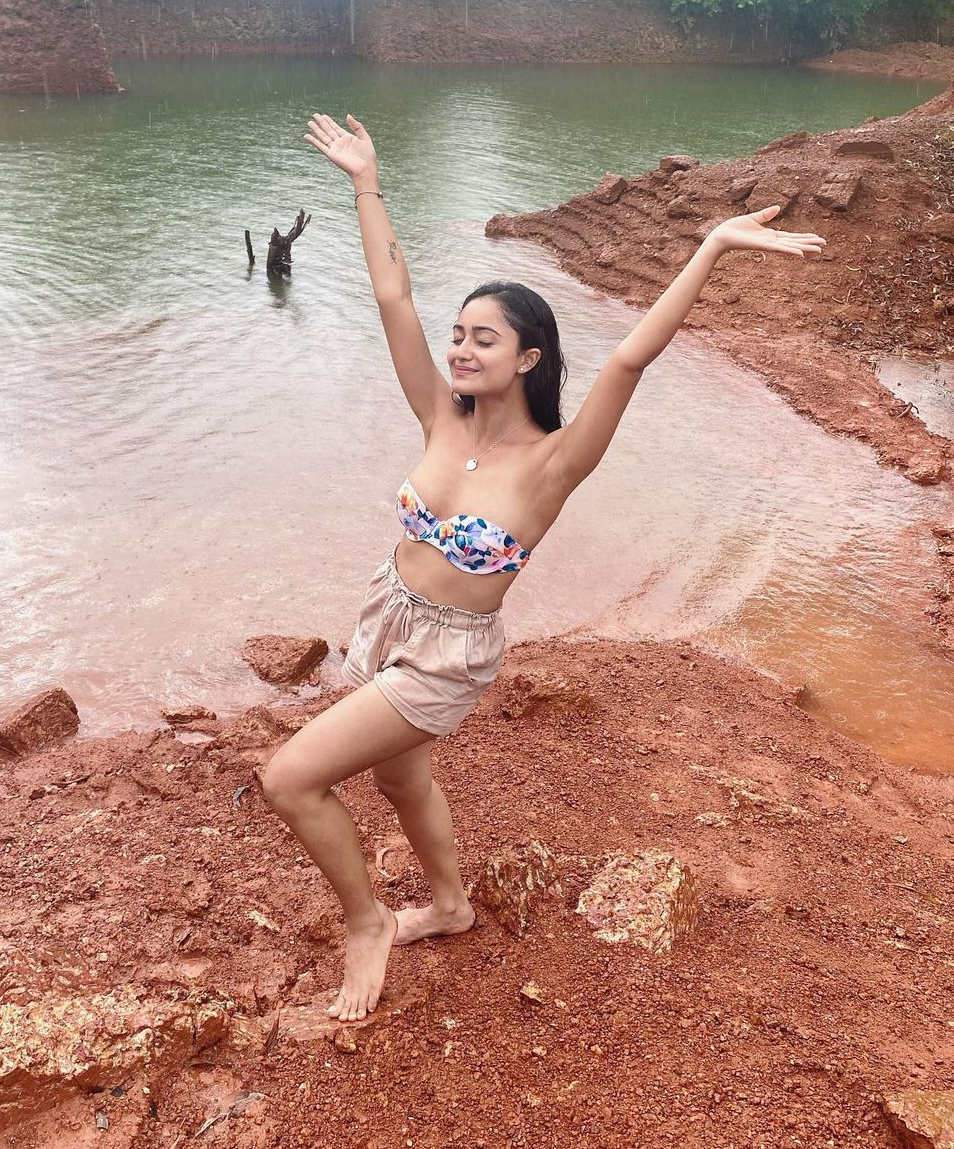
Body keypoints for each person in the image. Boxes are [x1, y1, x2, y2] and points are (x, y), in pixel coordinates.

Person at [261, 111, 825, 1023]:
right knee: (401, 779)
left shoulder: (554, 464)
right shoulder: (438, 415)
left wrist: (713, 246)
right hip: (386, 614)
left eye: (484, 338)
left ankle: (367, 923)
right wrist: (366, 183)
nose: (460, 348)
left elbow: (631, 359)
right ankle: (450, 907)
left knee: (289, 779)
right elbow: (393, 297)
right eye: (459, 333)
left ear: (528, 357)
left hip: (447, 656)